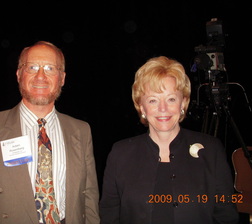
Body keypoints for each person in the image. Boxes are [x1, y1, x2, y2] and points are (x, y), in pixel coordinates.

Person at [0, 41, 100, 224]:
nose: (40, 76)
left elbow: (89, 196)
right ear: (19, 74)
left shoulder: (81, 130)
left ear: (62, 78)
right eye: (32, 67)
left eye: (50, 68)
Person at [99, 56, 239, 224]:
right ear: (141, 107)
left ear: (183, 102)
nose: (163, 109)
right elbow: (109, 215)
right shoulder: (120, 154)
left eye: (171, 99)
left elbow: (226, 216)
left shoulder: (211, 150)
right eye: (153, 100)